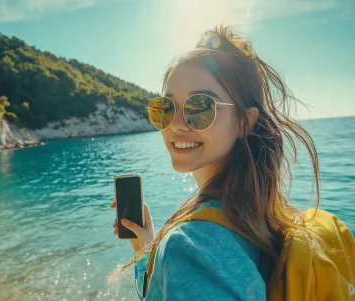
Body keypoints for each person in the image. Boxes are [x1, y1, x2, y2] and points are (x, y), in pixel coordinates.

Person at [110, 25, 321, 300]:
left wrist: (171, 255)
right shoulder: (263, 216)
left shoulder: (193, 245)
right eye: (165, 107)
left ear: (246, 121)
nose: (176, 124)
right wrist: (148, 251)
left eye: (200, 107)